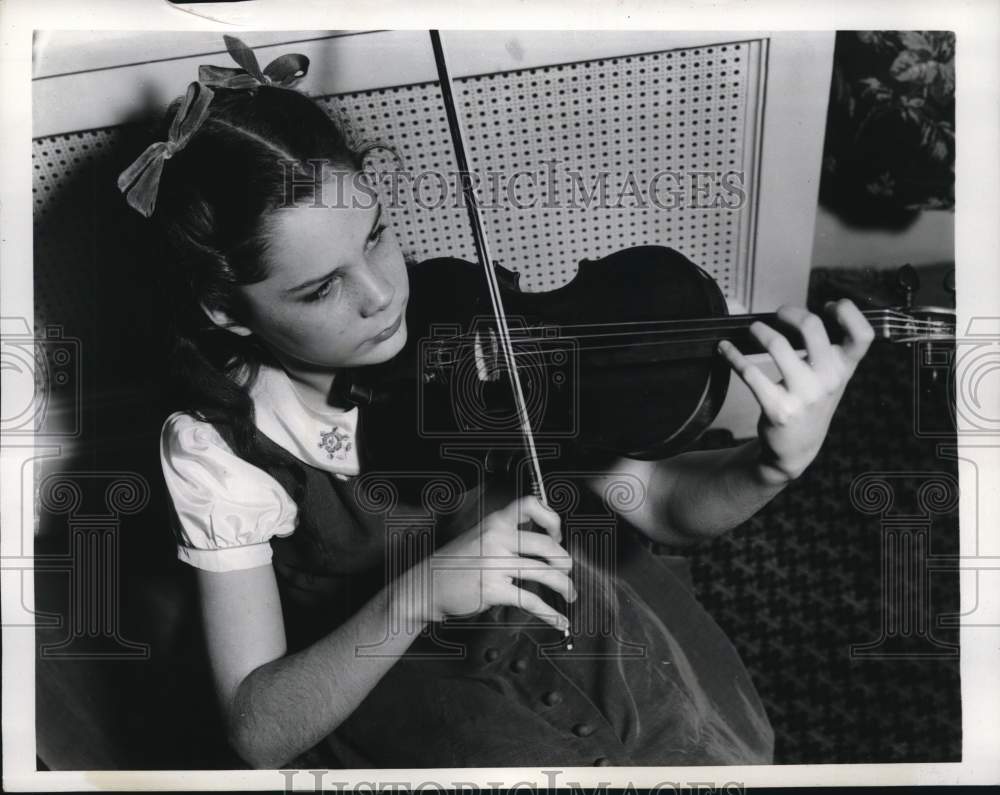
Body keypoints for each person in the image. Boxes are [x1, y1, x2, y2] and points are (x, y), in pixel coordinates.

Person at [123, 36, 875, 770]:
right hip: (418, 692)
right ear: (226, 311)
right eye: (322, 288)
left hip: (585, 631)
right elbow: (259, 732)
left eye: (378, 236)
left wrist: (772, 464)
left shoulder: (463, 316)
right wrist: (416, 596)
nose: (383, 295)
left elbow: (662, 504)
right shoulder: (219, 448)